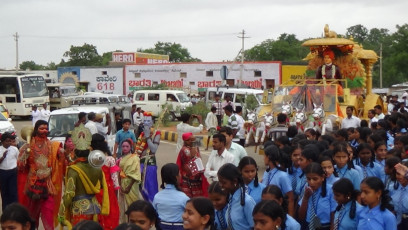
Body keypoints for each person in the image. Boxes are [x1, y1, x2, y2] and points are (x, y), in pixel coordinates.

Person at [58, 124, 109, 227]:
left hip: (79, 210)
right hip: (95, 208)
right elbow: (103, 187)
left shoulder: (74, 170)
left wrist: (61, 211)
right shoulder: (97, 168)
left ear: (75, 153)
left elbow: (69, 193)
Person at [17, 120, 65, 230]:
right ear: (36, 130)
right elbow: (20, 166)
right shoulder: (27, 146)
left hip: (48, 185)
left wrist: (63, 153)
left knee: (48, 213)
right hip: (32, 185)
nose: (45, 131)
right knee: (31, 216)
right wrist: (25, 154)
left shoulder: (53, 145)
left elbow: (61, 159)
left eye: (46, 128)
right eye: (41, 128)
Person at [91, 133, 120, 230]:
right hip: (108, 190)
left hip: (94, 190)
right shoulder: (110, 159)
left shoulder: (90, 159)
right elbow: (115, 180)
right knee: (110, 212)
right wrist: (115, 195)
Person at [298, 163, 337, 230]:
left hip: (325, 226)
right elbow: (301, 216)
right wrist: (305, 198)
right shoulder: (307, 189)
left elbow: (333, 214)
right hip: (309, 225)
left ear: (322, 177)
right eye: (308, 179)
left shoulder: (330, 190)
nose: (311, 182)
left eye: (315, 179)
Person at [217, 163, 255, 229]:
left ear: (235, 181)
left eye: (224, 182)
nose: (221, 185)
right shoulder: (230, 199)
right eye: (220, 182)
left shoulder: (247, 201)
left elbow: (254, 226)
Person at [153, 163, 189, 230]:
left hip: (162, 226)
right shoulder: (183, 197)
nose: (181, 175)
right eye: (179, 173)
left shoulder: (157, 196)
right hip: (179, 227)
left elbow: (155, 212)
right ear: (176, 177)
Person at [262, 145, 295, 217]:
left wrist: (291, 217)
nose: (263, 158)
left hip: (277, 211)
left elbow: (290, 198)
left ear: (269, 157)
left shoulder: (282, 176)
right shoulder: (267, 172)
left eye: (264, 156)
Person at [135, 112, 161, 202]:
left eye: (148, 121)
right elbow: (137, 149)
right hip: (140, 162)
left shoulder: (156, 133)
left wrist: (148, 137)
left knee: (150, 185)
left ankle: (152, 206)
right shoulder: (141, 133)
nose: (146, 123)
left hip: (150, 163)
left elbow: (153, 149)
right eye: (145, 121)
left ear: (152, 122)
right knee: (140, 185)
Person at [176, 132, 208, 198]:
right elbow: (191, 159)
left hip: (197, 178)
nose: (191, 141)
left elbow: (198, 159)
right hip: (188, 179)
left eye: (192, 140)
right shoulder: (185, 150)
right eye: (188, 140)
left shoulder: (195, 148)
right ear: (184, 141)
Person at [118, 139, 141, 224]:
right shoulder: (121, 158)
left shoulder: (135, 158)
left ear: (130, 147)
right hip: (123, 183)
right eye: (123, 146)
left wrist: (129, 186)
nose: (125, 148)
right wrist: (120, 185)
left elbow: (136, 173)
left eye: (127, 146)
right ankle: (126, 223)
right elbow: (119, 172)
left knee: (132, 205)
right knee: (123, 205)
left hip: (131, 184)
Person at [0, 132, 19, 210]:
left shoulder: (14, 149)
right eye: (7, 141)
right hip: (3, 173)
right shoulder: (0, 149)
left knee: (13, 192)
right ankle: (6, 211)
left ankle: (15, 211)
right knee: (4, 193)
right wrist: (3, 157)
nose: (9, 143)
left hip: (13, 173)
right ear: (2, 141)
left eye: (10, 141)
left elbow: (19, 160)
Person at [391, 161, 408, 229]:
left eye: (405, 175)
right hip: (395, 220)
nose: (401, 176)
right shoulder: (392, 187)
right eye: (398, 174)